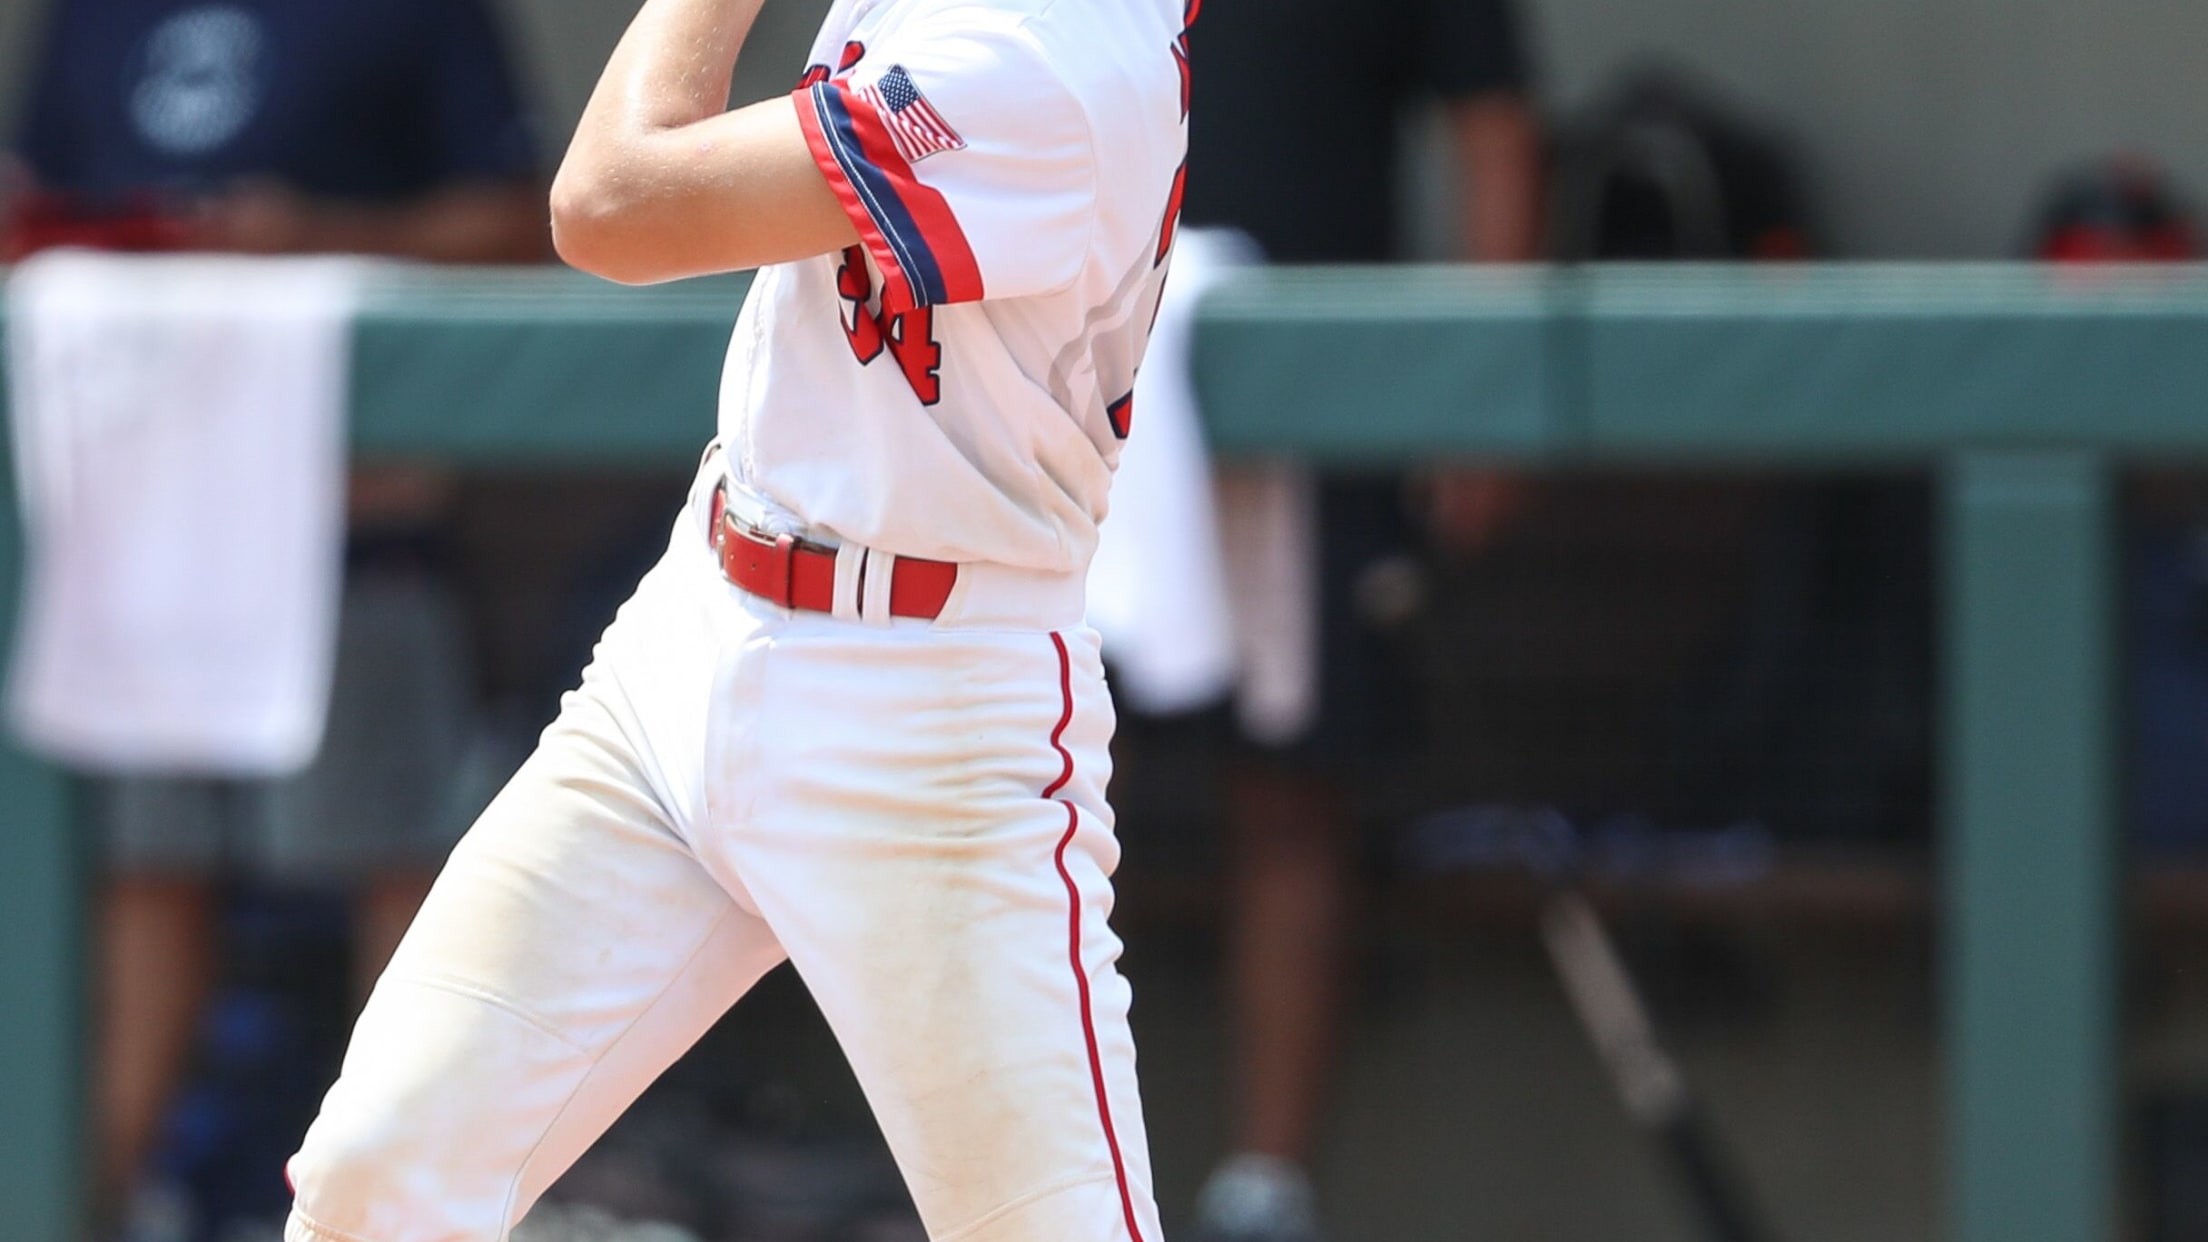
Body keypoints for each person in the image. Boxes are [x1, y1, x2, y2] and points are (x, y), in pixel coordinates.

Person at [281, 0, 1193, 1240]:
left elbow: (608, 207)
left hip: (928, 716)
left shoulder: (1042, 59)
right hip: (691, 637)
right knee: (377, 1174)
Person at [2, 0, 544, 1230]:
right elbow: (36, 187)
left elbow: (527, 220)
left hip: (353, 509)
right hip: (125, 515)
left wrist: (310, 239)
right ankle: (80, 1205)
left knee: (401, 869)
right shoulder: (93, 15)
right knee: (140, 873)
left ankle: (402, 1211)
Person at [1180, 3, 1543, 1240]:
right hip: (1052, 378)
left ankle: (1263, 1194)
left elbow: (1491, 124)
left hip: (1312, 401)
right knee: (1014, 780)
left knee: (1289, 796)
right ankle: (1025, 1191)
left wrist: (1486, 390)